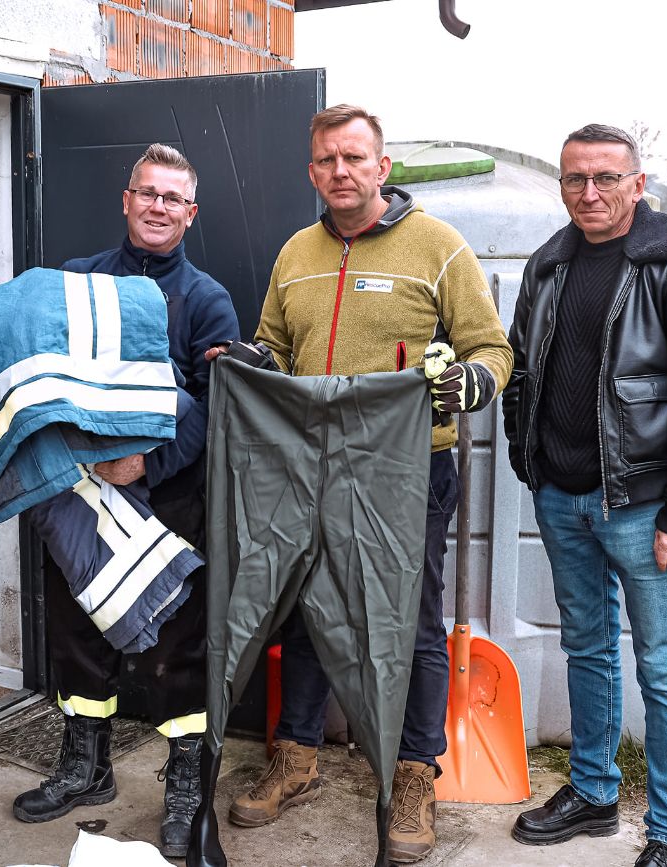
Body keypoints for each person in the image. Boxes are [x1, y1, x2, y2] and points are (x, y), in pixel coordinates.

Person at [209, 105, 512, 864]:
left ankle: (413, 774)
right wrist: (249, 363)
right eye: (326, 160)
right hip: (305, 466)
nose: (340, 171)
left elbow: (491, 349)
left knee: (411, 621)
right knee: (305, 611)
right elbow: (277, 349)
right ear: (312, 172)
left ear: (383, 167)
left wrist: (471, 382)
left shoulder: (438, 246)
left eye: (354, 157)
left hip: (403, 470)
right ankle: (296, 757)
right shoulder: (296, 252)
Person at [504, 124, 667, 867]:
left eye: (606, 177)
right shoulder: (547, 265)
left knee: (662, 667)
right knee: (587, 648)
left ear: (638, 183)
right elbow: (522, 371)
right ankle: (594, 792)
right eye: (575, 178)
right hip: (562, 497)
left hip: (644, 506)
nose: (590, 192)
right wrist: (529, 459)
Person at [10, 143, 240, 858]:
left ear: (191, 213)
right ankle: (87, 766)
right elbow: (43, 370)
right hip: (79, 492)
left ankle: (186, 786)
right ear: (126, 200)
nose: (157, 207)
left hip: (169, 499)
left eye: (172, 198)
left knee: (177, 644)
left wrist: (147, 461)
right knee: (77, 630)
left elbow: (217, 403)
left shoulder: (207, 299)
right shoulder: (78, 280)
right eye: (147, 193)